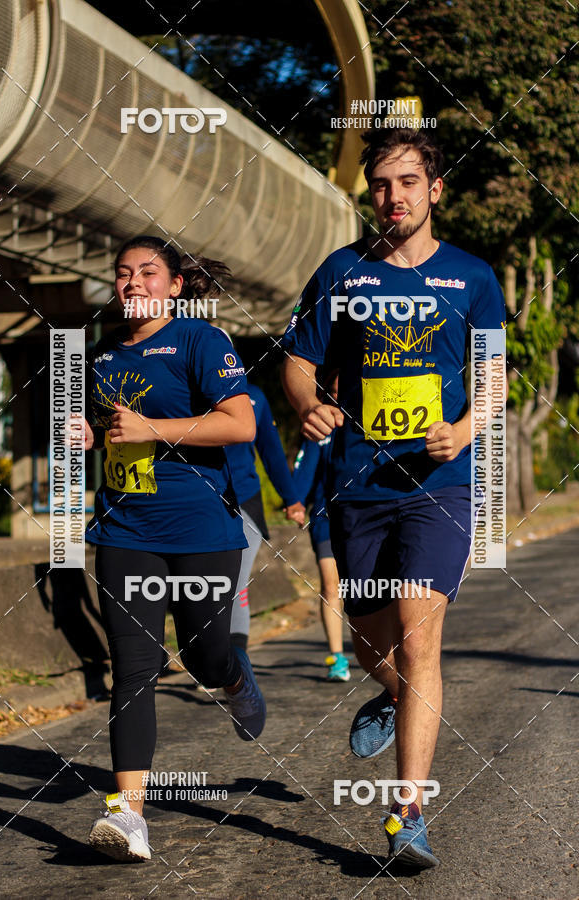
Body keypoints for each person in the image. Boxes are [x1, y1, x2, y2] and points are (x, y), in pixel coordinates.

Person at [281, 128, 506, 869]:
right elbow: (299, 361)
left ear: (434, 189)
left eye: (408, 182)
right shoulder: (341, 272)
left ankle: (407, 813)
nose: (393, 197)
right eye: (380, 185)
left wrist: (465, 430)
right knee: (374, 644)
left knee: (418, 637)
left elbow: (495, 377)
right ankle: (391, 692)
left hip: (439, 486)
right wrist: (309, 404)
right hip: (358, 484)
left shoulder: (472, 277)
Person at [79, 235, 266, 862]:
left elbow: (241, 423)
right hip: (125, 529)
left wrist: (153, 429)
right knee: (133, 669)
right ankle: (128, 814)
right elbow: (104, 428)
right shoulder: (100, 355)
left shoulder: (200, 341)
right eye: (123, 273)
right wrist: (87, 435)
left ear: (176, 286)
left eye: (148, 272)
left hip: (202, 531)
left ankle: (234, 679)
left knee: (202, 655)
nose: (133, 282)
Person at [224, 380, 305, 651]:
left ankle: (238, 662)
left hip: (245, 501)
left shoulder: (253, 395)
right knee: (203, 589)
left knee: (235, 584)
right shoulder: (184, 394)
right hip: (197, 506)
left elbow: (271, 451)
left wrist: (292, 499)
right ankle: (210, 660)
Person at [288, 373, 350, 681]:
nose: (339, 398)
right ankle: (337, 658)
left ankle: (381, 650)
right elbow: (305, 468)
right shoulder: (320, 429)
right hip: (326, 518)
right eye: (333, 392)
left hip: (366, 518)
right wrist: (296, 502)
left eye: (345, 391)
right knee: (331, 584)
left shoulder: (370, 424)